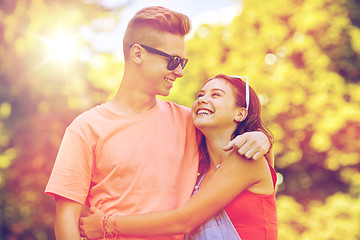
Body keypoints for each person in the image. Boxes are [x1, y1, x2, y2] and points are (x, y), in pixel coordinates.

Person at [45, 6, 272, 240]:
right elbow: (66, 220)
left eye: (183, 62)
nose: (180, 72)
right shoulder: (85, 128)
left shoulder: (191, 122)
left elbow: (239, 148)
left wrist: (261, 137)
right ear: (138, 54)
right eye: (173, 61)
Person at [79, 74, 277, 240]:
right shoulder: (198, 174)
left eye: (216, 95)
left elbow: (182, 221)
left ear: (240, 114)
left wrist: (107, 224)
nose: (202, 99)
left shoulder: (247, 160)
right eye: (201, 94)